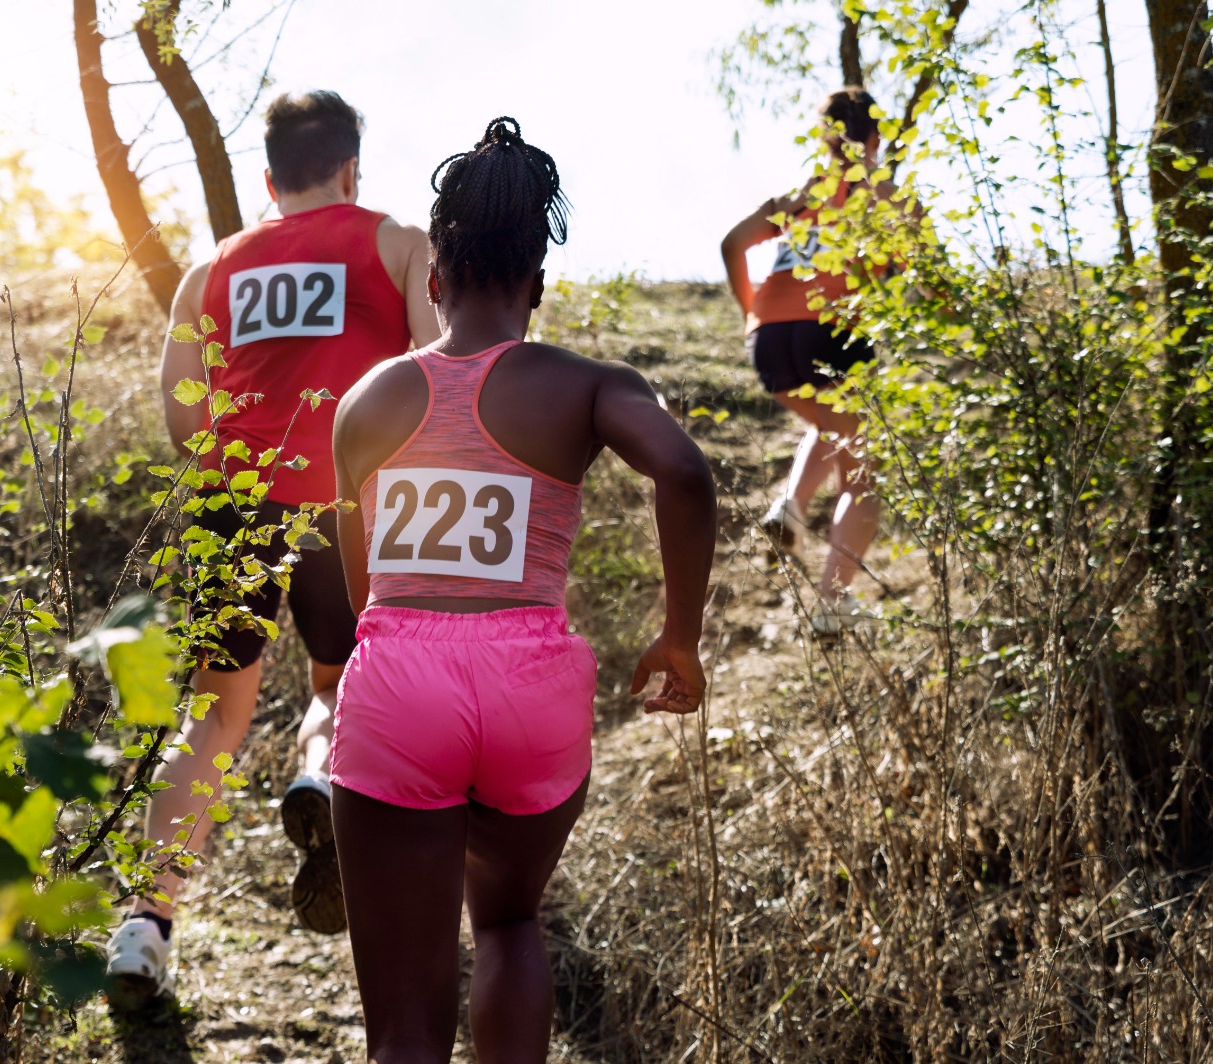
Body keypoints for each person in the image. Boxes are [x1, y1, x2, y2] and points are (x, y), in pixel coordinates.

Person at [329, 117, 716, 1062]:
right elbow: (684, 472)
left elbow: (361, 572)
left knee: (404, 1034)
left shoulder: (367, 401)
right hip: (530, 688)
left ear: (434, 281)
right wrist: (678, 639)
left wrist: (387, 653)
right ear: (536, 288)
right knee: (507, 927)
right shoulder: (583, 385)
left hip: (401, 683)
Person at [106, 89, 440, 1006]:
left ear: (266, 178)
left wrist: (242, 463)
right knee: (335, 682)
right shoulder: (399, 243)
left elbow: (180, 416)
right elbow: (441, 369)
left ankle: (144, 928)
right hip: (348, 500)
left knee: (214, 715)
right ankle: (318, 776)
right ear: (349, 167)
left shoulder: (211, 267)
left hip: (232, 504)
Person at [721, 87, 904, 633]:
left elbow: (732, 244)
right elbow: (913, 272)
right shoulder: (882, 192)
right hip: (832, 333)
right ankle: (831, 604)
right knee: (862, 474)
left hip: (770, 341)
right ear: (873, 139)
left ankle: (791, 511)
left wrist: (751, 311)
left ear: (824, 138)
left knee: (833, 425)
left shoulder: (799, 197)